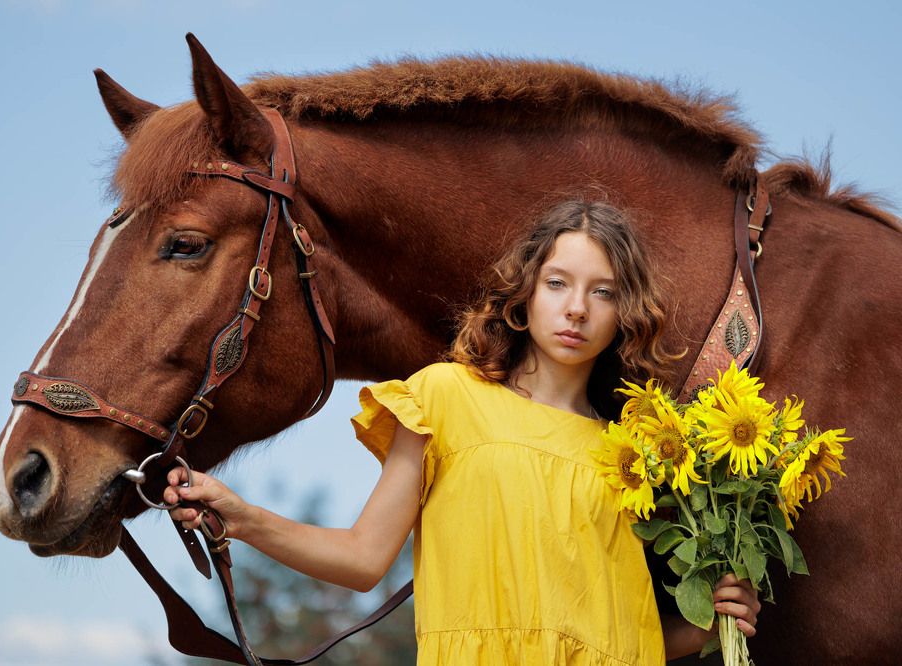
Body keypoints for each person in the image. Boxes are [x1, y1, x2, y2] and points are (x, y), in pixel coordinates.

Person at [162, 200, 761, 664]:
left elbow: (622, 640)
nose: (576, 308)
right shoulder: (445, 397)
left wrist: (708, 625)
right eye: (557, 283)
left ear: (623, 315)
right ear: (523, 298)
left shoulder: (633, 456)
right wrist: (240, 518)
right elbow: (364, 559)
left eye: (602, 292)